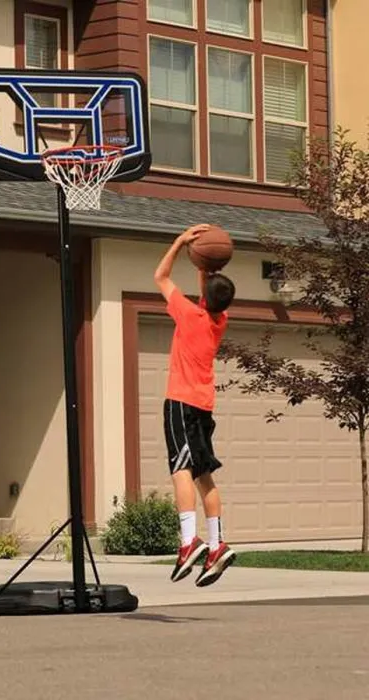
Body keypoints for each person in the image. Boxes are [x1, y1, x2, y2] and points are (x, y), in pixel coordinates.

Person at [153, 224, 237, 587]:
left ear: (204, 296)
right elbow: (209, 294)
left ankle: (189, 541)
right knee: (204, 475)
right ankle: (217, 545)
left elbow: (160, 276)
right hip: (203, 405)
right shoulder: (220, 320)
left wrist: (179, 243)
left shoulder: (189, 315)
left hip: (181, 402)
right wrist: (205, 266)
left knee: (181, 469)